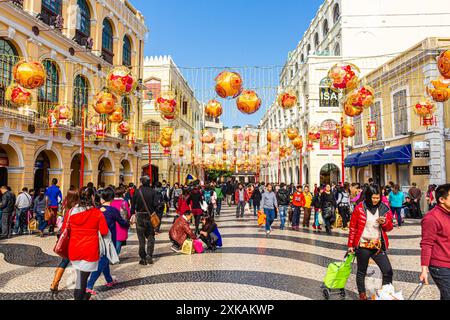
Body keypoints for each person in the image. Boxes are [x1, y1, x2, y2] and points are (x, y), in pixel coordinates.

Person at [61, 187, 108, 300]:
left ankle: (84, 296)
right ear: (92, 197)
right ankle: (81, 297)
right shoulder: (97, 213)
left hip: (75, 249)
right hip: (89, 251)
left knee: (80, 279)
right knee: (82, 280)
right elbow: (104, 231)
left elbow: (64, 230)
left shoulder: (70, 212)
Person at [348, 184, 394, 300]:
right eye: (373, 198)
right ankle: (362, 295)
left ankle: (385, 294)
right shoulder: (359, 208)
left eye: (378, 198)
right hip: (363, 245)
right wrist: (350, 245)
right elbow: (353, 227)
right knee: (361, 271)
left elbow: (389, 228)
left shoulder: (384, 208)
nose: (375, 200)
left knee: (388, 271)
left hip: (378, 245)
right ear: (368, 196)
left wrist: (384, 223)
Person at [86, 187, 129, 296]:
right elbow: (122, 222)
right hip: (109, 239)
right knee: (104, 260)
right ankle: (89, 285)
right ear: (112, 198)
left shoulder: (97, 209)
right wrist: (129, 223)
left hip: (97, 238)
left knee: (105, 259)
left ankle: (109, 280)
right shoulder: (113, 211)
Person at [420, 184, 450, 300]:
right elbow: (427, 244)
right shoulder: (431, 218)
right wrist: (424, 269)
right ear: (441, 200)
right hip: (440, 266)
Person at [50, 189, 79, 295]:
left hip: (65, 236)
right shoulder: (75, 210)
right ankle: (80, 285)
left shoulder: (65, 207)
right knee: (78, 261)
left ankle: (54, 283)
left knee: (65, 261)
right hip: (73, 237)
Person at [131, 176, 157, 266]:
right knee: (150, 236)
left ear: (141, 182)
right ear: (149, 182)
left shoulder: (137, 192)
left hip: (139, 216)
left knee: (141, 238)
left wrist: (132, 214)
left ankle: (142, 258)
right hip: (149, 216)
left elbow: (133, 205)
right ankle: (149, 255)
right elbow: (156, 205)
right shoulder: (153, 191)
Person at [110, 186, 131, 254]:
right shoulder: (124, 202)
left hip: (112, 223)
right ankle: (115, 255)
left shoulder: (111, 202)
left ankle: (112, 255)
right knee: (119, 240)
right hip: (121, 223)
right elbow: (128, 214)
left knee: (113, 239)